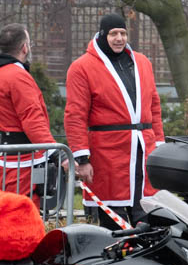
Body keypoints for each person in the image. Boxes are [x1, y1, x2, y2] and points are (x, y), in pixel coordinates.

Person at [65, 13, 164, 229]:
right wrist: (82, 157)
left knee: (147, 211)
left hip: (143, 150)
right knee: (112, 218)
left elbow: (154, 106)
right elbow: (75, 115)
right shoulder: (82, 67)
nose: (119, 38)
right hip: (107, 153)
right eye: (113, 34)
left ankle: (148, 257)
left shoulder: (142, 62)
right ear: (102, 35)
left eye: (123, 33)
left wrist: (159, 145)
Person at [0, 24, 56, 200]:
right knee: (22, 212)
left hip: (5, 156)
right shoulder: (17, 76)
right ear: (24, 47)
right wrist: (54, 151)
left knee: (7, 210)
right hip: (22, 161)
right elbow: (32, 118)